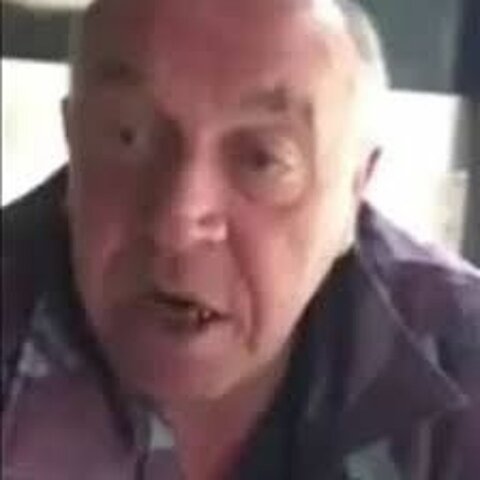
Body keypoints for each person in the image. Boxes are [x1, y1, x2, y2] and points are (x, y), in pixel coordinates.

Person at [2, 0, 479, 478]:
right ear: (73, 139)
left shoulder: (462, 358)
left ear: (355, 189)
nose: (176, 223)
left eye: (262, 159)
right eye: (128, 136)